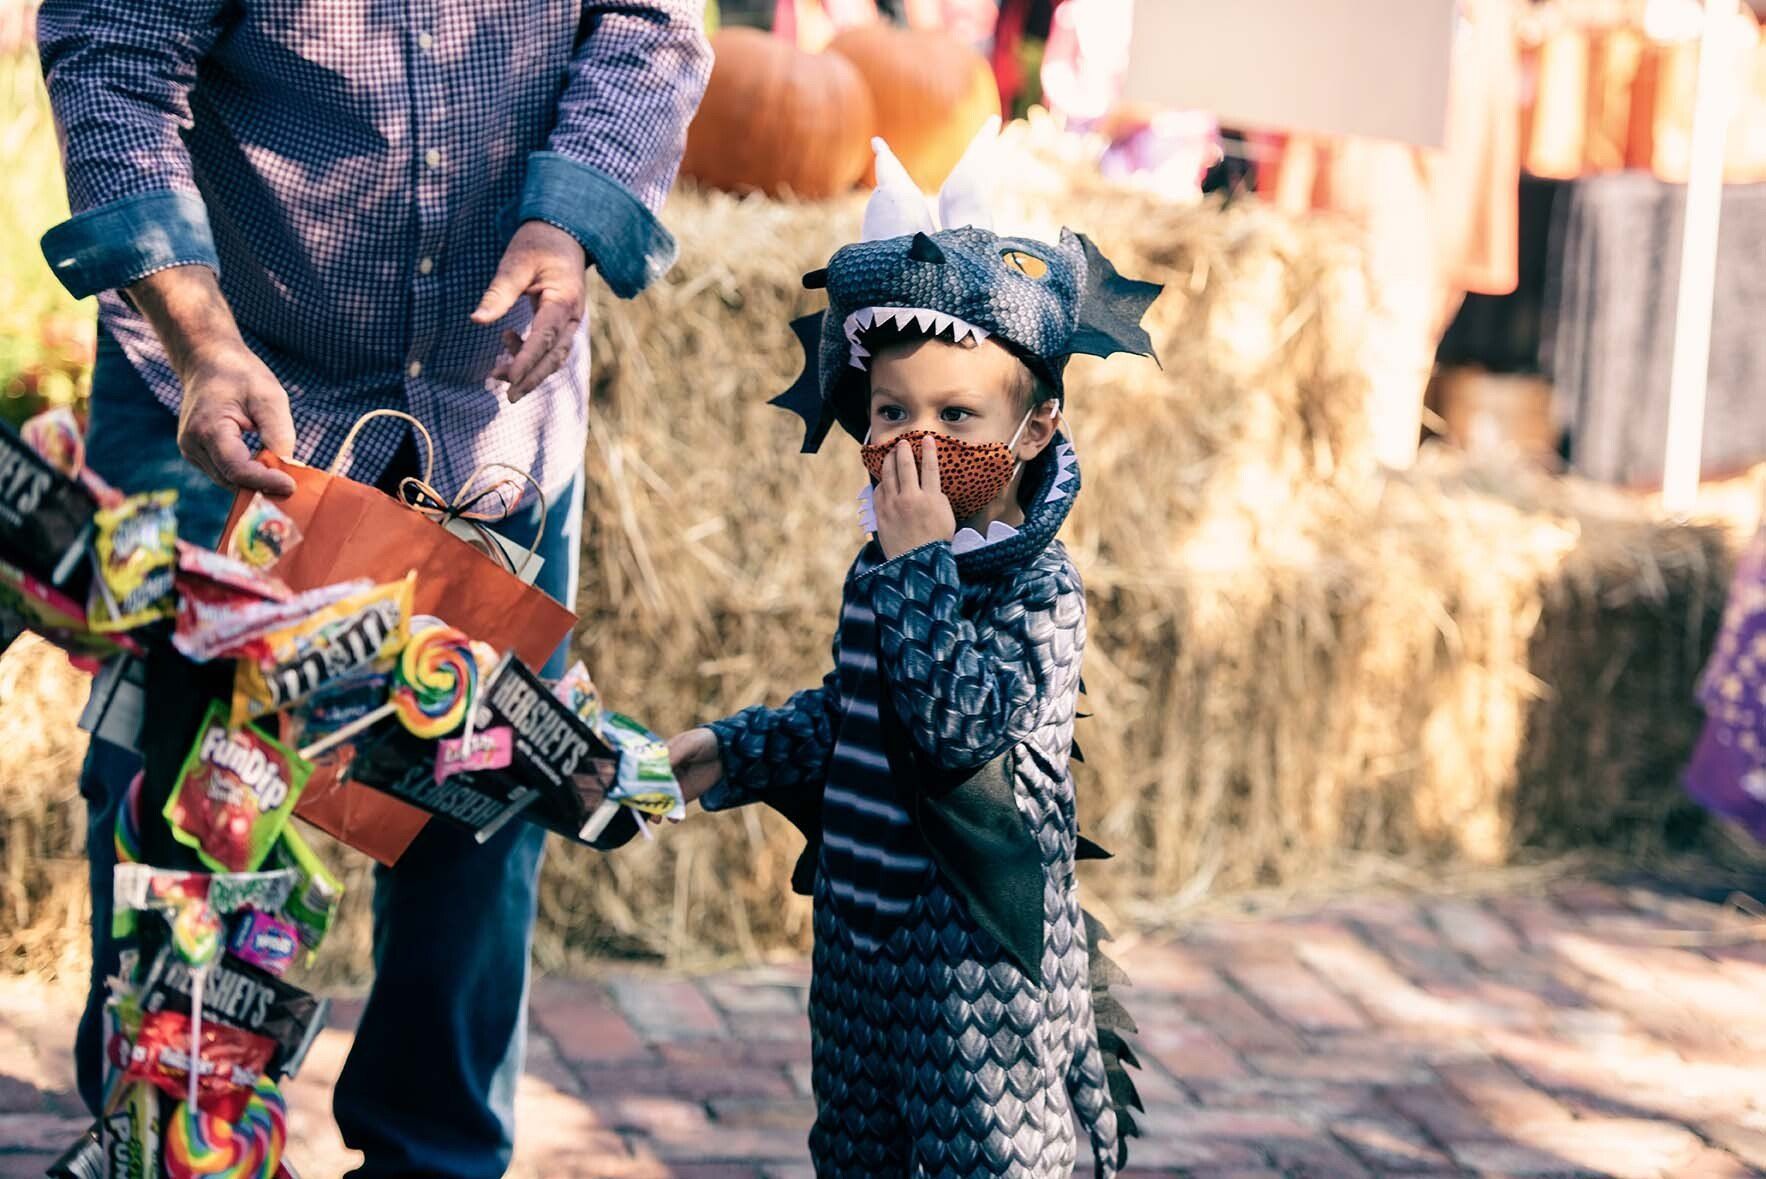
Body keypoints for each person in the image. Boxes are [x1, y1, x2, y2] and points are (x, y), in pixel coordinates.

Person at [35, 3, 710, 1175]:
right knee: (189, 810)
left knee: (482, 806)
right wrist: (200, 340)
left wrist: (569, 219)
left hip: (482, 417)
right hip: (228, 390)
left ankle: (432, 1158)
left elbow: (650, 20)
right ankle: (165, 1150)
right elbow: (113, 53)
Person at [666, 128, 1159, 1177]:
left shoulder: (1036, 587)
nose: (913, 441)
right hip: (860, 942)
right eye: (891, 411)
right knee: (857, 1149)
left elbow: (956, 730)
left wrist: (921, 565)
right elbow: (859, 713)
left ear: (1029, 431)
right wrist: (730, 750)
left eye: (954, 413)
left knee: (980, 1157)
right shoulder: (885, 562)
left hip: (971, 962)